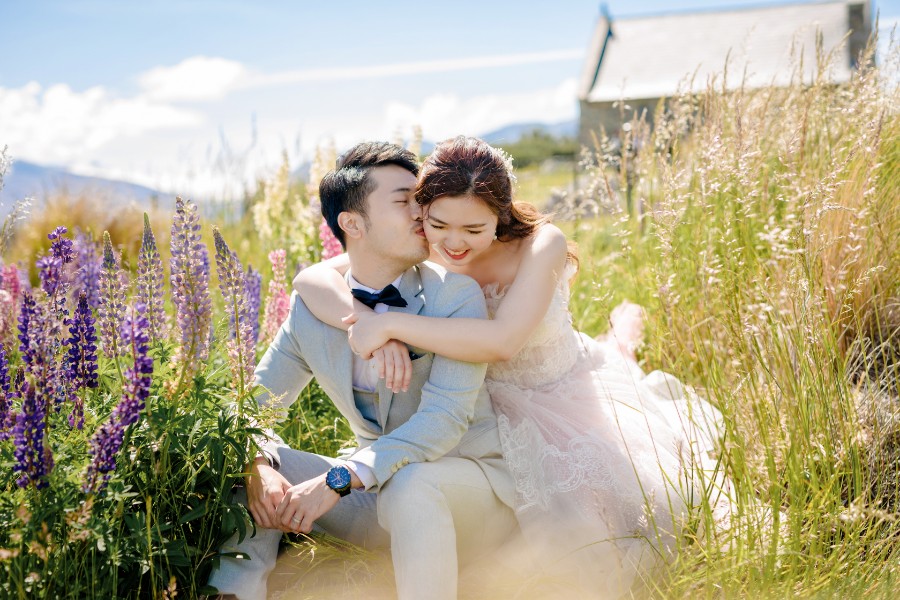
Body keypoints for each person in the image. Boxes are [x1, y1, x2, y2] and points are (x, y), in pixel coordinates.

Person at [294, 136, 726, 598]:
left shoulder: (543, 243)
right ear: (423, 214)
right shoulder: (431, 243)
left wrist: (392, 323)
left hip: (560, 398)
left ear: (499, 216)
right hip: (479, 410)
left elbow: (503, 342)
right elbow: (311, 277)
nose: (454, 244)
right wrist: (366, 321)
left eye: (474, 230)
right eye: (438, 225)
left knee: (591, 540)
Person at [207, 141, 518, 600]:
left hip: (469, 500)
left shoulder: (456, 295)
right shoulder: (313, 310)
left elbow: (444, 422)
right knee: (263, 462)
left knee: (414, 481)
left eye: (421, 198)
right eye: (404, 201)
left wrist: (340, 478)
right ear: (352, 223)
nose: (422, 212)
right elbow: (254, 407)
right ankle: (234, 592)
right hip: (378, 500)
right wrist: (258, 466)